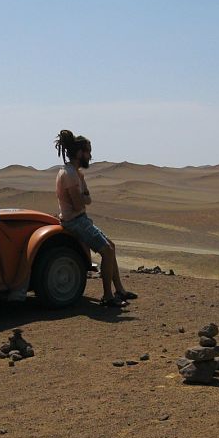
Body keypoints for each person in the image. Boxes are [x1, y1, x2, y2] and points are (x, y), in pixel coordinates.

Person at [54, 129, 137, 307]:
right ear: (79, 153)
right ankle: (107, 296)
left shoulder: (77, 174)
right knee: (106, 251)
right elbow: (80, 203)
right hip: (75, 221)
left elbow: (87, 200)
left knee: (111, 246)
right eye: (87, 151)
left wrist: (84, 197)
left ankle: (120, 290)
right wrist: (84, 197)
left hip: (80, 218)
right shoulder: (69, 175)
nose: (90, 156)